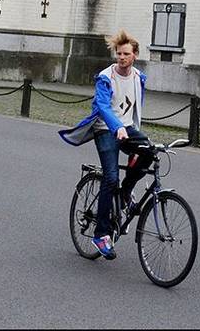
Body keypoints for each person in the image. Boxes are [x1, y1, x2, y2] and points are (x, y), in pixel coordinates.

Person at [58, 30, 154, 260]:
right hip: (104, 129)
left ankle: (125, 196)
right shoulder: (105, 77)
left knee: (150, 152)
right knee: (111, 178)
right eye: (118, 53)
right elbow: (102, 105)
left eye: (126, 54)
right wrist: (115, 126)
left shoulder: (138, 77)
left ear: (135, 55)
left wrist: (129, 128)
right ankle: (101, 235)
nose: (121, 57)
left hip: (127, 129)